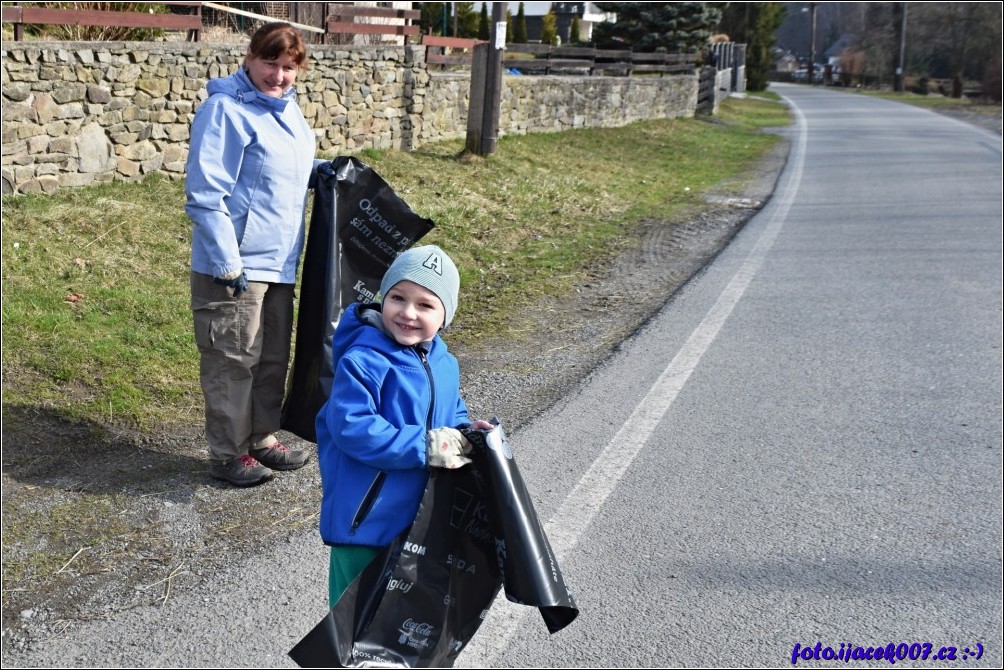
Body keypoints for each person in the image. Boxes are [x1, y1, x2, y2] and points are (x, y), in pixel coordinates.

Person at [185, 22, 323, 487]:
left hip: (279, 263)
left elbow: (285, 172)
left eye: (289, 67)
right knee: (232, 360)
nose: (279, 76)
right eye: (270, 63)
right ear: (249, 56)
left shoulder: (290, 112)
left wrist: (326, 173)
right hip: (236, 265)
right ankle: (227, 453)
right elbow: (206, 194)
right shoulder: (225, 111)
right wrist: (227, 261)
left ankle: (261, 439)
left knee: (270, 358)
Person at [315, 245, 494, 604]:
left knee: (398, 623)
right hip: (365, 522)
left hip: (419, 524)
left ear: (445, 316)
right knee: (351, 625)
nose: (408, 313)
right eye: (397, 298)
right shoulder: (363, 360)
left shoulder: (445, 363)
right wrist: (427, 447)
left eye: (425, 305)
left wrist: (465, 432)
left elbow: (451, 411)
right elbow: (353, 428)